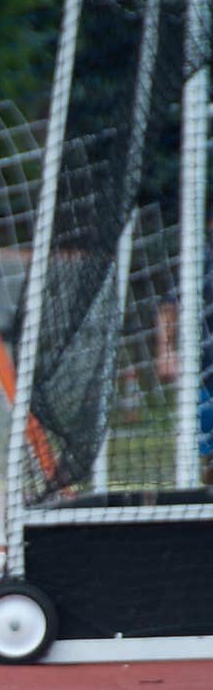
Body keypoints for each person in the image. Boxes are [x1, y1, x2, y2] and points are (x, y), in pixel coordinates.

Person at [154, 202, 213, 485]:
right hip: (204, 373)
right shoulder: (200, 260)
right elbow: (168, 308)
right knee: (207, 455)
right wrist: (165, 352)